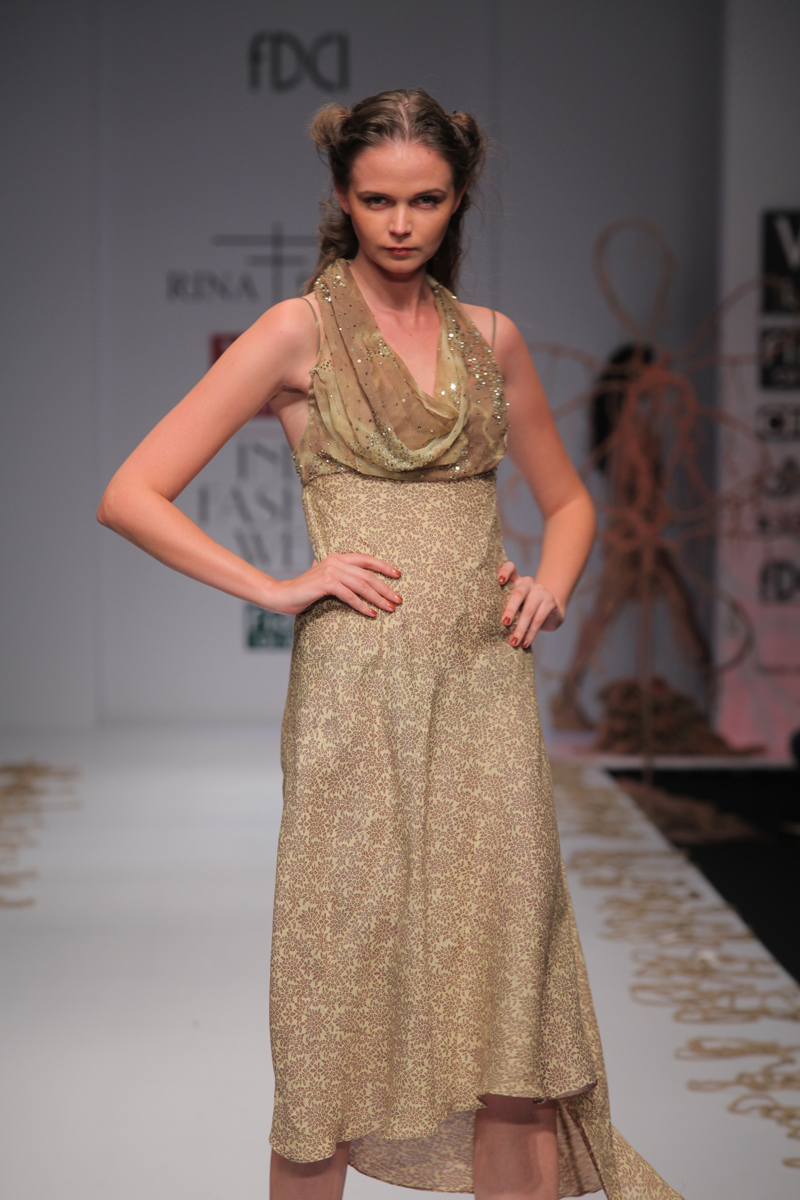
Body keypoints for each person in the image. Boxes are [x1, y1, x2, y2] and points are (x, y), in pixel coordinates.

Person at [98, 89, 682, 1200]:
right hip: (354, 694)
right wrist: (277, 586)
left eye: (426, 199)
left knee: (509, 1017)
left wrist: (550, 589)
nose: (402, 223)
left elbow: (568, 504)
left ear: (458, 199)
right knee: (334, 1003)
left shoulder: (492, 341)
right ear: (341, 197)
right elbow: (130, 492)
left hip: (484, 691)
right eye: (377, 200)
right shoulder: (296, 333)